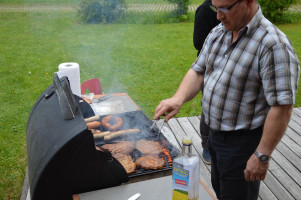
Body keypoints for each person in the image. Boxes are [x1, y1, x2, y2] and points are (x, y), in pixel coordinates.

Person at [154, 0, 300, 199]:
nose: (218, 15)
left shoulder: (273, 45)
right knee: (221, 191)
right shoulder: (218, 32)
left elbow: (282, 107)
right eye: (215, 8)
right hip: (214, 136)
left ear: (248, 2)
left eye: (224, 9)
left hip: (243, 145)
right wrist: (178, 98)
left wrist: (262, 155)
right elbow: (198, 71)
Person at [193, 0, 220, 165]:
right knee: (209, 107)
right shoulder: (204, 10)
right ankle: (207, 147)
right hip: (209, 66)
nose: (220, 15)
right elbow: (198, 42)